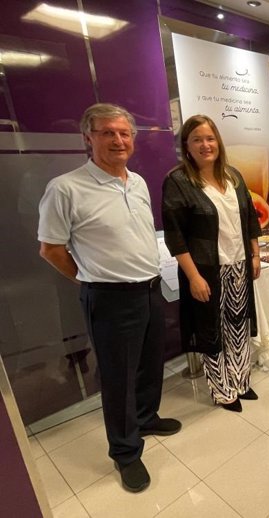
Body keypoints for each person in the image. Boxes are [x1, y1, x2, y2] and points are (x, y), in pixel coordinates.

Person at [37, 103, 181, 493]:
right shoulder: (66, 188)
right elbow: (50, 249)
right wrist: (90, 280)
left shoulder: (136, 182)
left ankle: (147, 417)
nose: (118, 140)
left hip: (149, 289)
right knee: (118, 379)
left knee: (151, 364)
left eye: (124, 133)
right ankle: (125, 452)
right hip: (110, 298)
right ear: (89, 137)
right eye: (107, 133)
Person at [162, 115, 261, 413]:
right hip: (206, 270)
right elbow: (175, 236)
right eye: (197, 140)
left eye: (210, 138)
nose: (205, 145)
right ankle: (222, 390)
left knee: (238, 327)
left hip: (239, 264)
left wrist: (255, 254)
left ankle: (241, 381)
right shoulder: (178, 182)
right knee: (212, 329)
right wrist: (193, 277)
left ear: (218, 141)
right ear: (186, 146)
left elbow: (250, 219)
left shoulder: (233, 176)